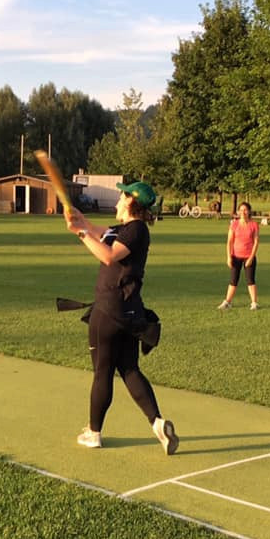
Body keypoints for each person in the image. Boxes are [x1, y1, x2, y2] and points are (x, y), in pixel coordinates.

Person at [65, 180, 179, 455]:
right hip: (127, 312)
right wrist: (81, 221)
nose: (117, 201)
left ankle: (94, 433)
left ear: (131, 202)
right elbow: (101, 232)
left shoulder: (136, 230)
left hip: (109, 311)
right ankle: (157, 424)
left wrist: (81, 234)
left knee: (103, 372)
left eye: (121, 196)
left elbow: (107, 255)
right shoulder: (127, 229)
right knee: (128, 369)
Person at [217, 202, 260, 310]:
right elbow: (229, 242)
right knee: (233, 280)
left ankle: (254, 303)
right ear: (238, 211)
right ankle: (227, 302)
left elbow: (256, 242)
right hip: (235, 256)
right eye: (241, 210)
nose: (243, 212)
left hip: (248, 257)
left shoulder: (254, 225)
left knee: (250, 280)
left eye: (245, 210)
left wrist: (251, 258)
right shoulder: (234, 224)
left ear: (249, 211)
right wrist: (228, 257)